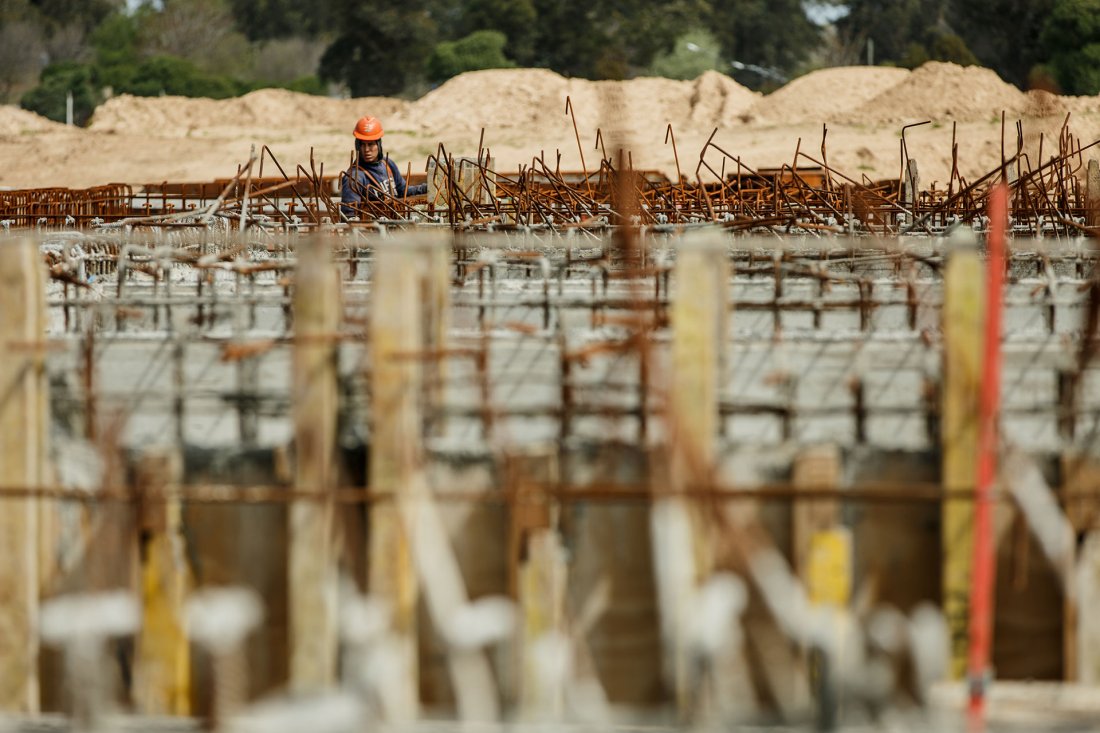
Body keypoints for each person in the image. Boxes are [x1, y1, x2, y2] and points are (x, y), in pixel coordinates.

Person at [340, 115, 427, 218]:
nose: (366, 150)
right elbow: (349, 216)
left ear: (379, 145)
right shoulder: (355, 177)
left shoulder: (387, 164)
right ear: (358, 146)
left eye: (371, 144)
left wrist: (426, 188)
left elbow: (402, 191)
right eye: (363, 145)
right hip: (373, 230)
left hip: (395, 225)